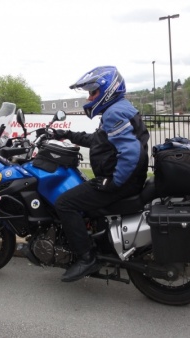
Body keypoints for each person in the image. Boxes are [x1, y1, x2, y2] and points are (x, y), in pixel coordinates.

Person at [53, 66, 150, 282]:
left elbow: (131, 153)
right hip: (127, 180)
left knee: (64, 203)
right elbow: (98, 140)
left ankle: (87, 258)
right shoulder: (117, 109)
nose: (89, 98)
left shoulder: (114, 112)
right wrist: (66, 134)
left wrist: (113, 182)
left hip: (123, 182)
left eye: (92, 92)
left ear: (108, 89)